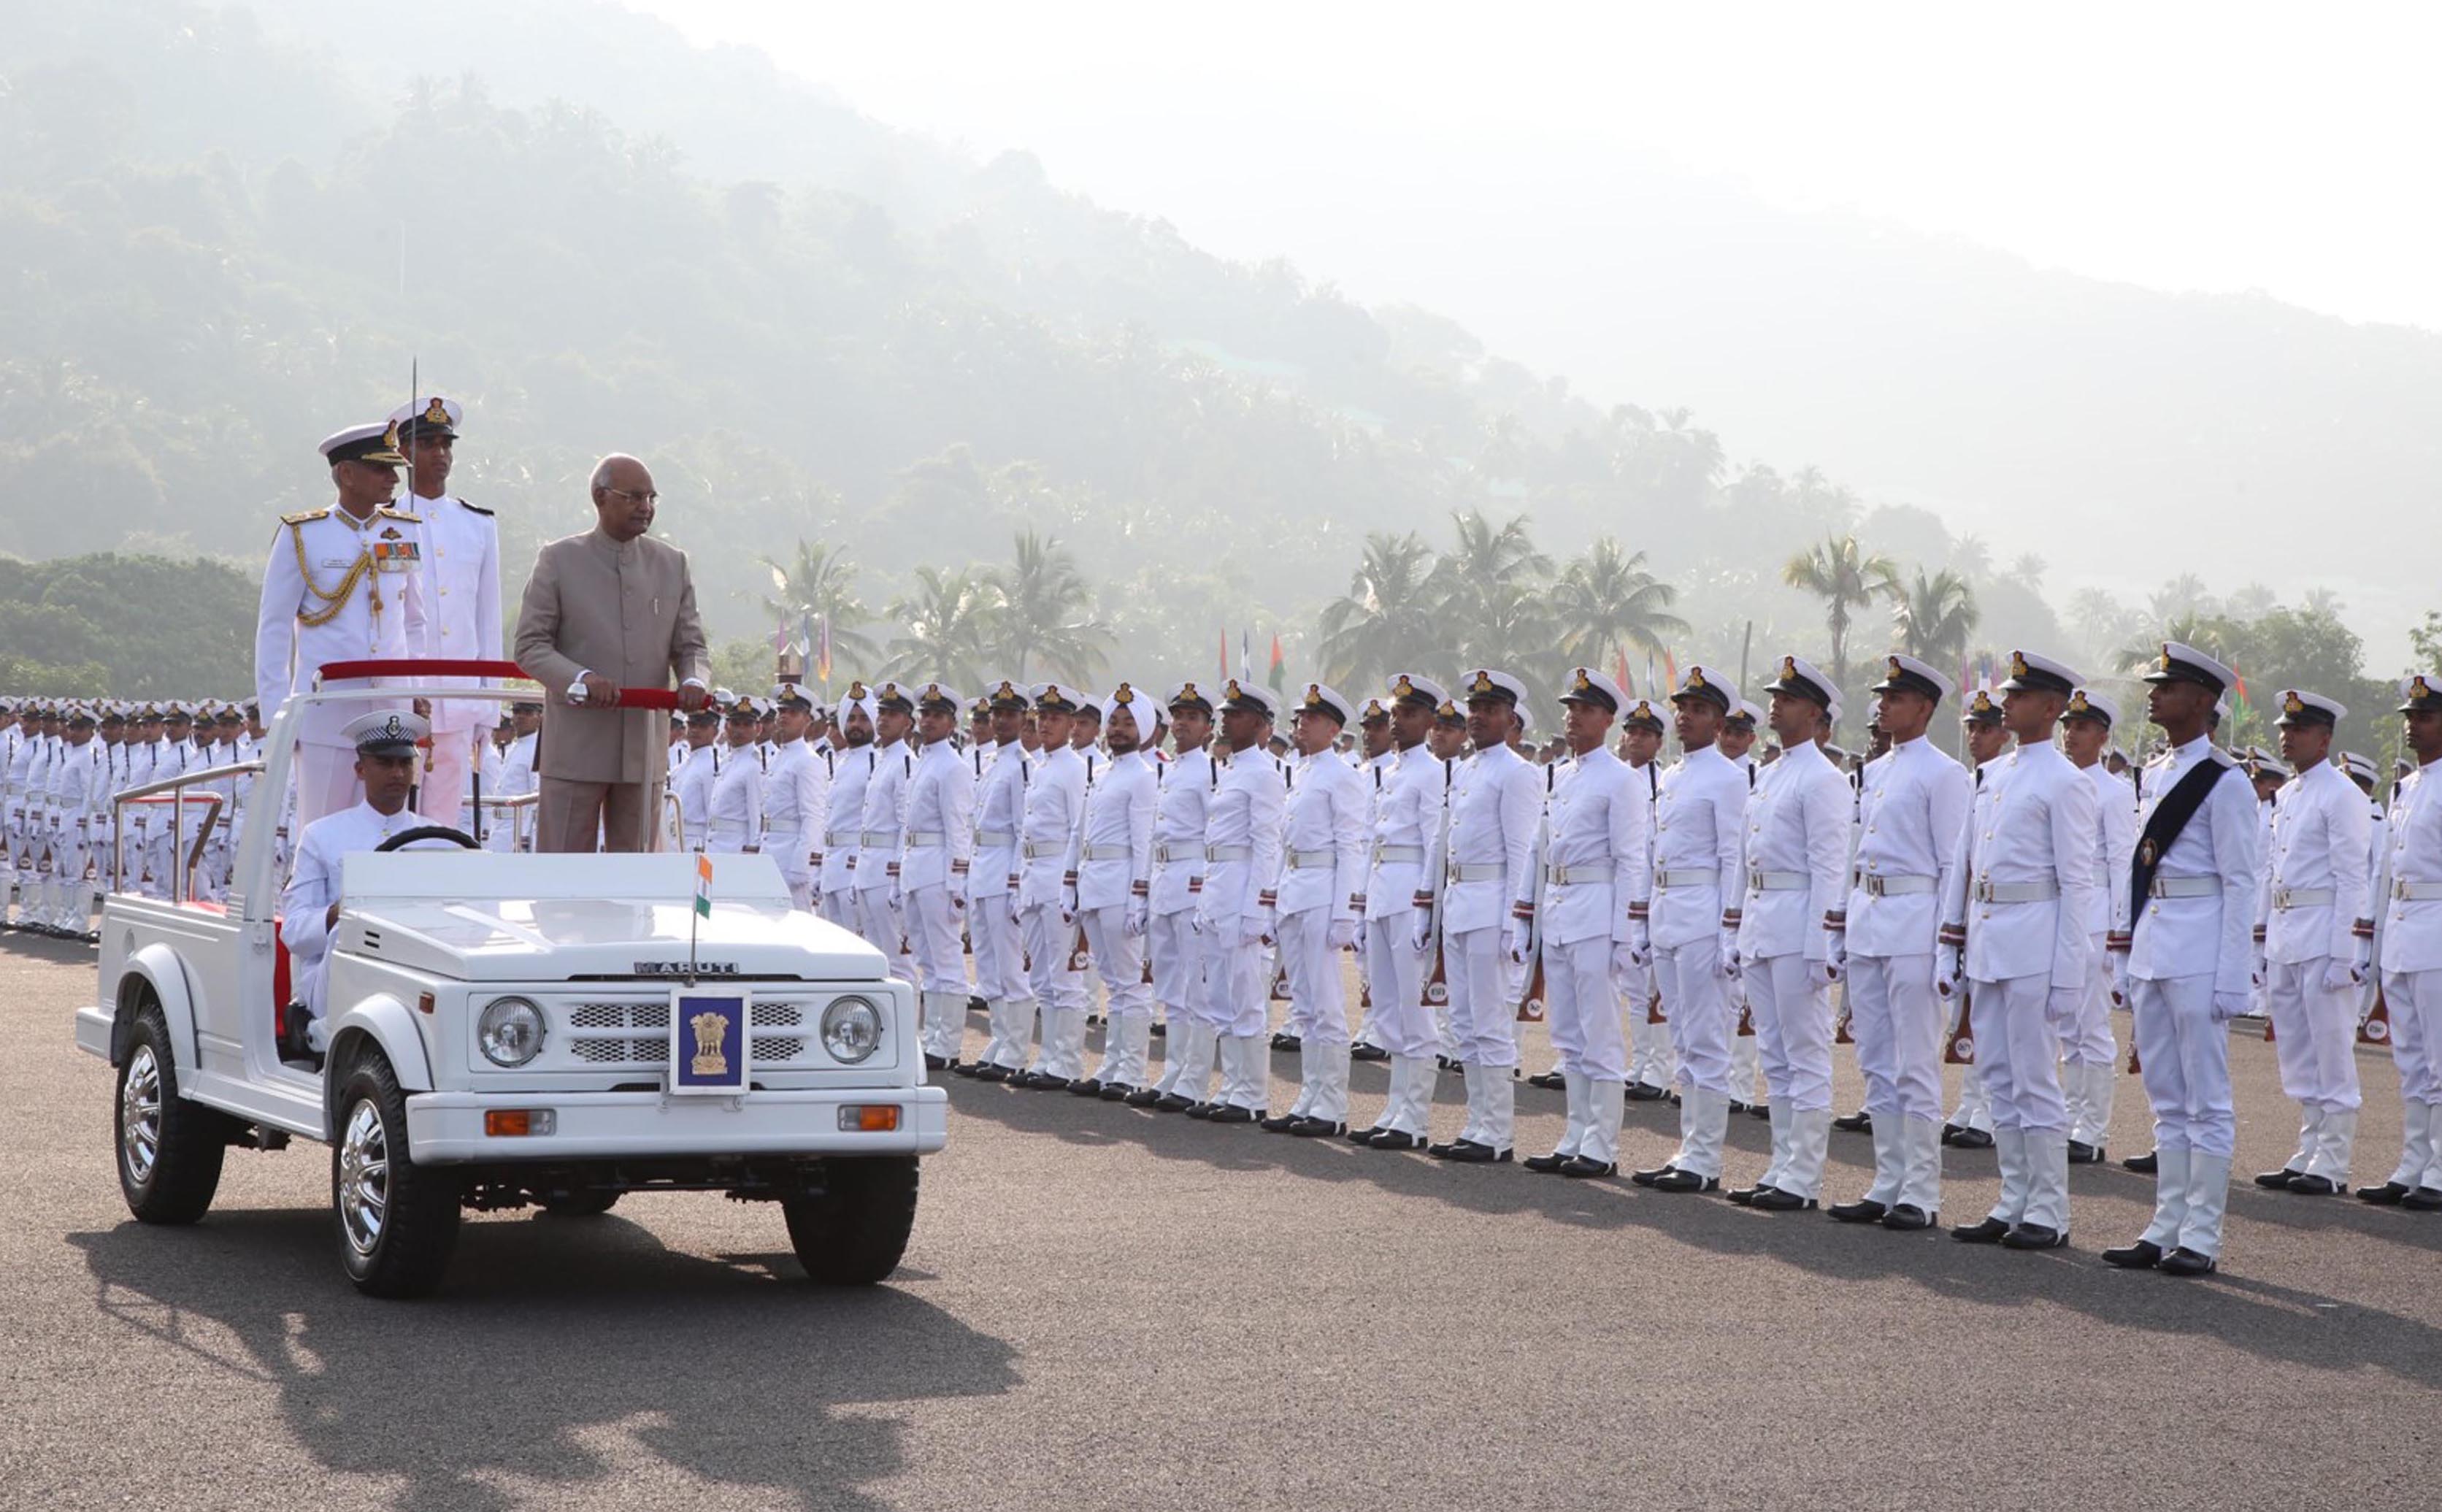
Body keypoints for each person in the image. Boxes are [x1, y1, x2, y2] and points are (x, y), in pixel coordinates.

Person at [2101, 643, 2261, 1276]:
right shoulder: (2155, 770)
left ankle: (2201, 1233)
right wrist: (2126, 950)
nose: (2154, 694)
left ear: (2201, 699)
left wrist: (2230, 974)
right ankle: (2163, 1222)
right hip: (2155, 944)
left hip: (2198, 947)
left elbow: (2239, 880)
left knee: (2207, 1099)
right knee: (2166, 1098)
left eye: (2167, 686)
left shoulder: (2225, 782)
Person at [1937, 651, 2098, 1251]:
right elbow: (1964, 864)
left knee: (2034, 1081)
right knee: (1998, 1076)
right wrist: (1949, 941)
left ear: (2052, 708)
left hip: (2033, 942)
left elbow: (2075, 883)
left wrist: (2066, 975)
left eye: (2020, 695)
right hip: (1988, 939)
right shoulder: (1994, 774)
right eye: (2007, 694)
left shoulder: (2066, 781)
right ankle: (2011, 1198)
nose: (2006, 702)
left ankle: (2049, 1210)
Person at [510, 454, 710, 852]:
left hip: (644, 747)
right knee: (562, 875)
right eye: (634, 497)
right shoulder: (559, 559)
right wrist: (579, 679)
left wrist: (692, 680)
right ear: (600, 497)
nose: (646, 507)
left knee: (637, 883)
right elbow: (530, 645)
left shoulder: (672, 564)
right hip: (576, 746)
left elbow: (691, 646)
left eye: (652, 498)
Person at [254, 421, 429, 832]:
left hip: (390, 707)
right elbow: (274, 627)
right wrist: (279, 715)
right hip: (326, 711)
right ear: (347, 474)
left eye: (395, 469)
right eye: (381, 469)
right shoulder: (305, 534)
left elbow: (415, 622)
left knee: (389, 827)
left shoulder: (403, 530)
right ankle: (317, 900)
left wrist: (418, 691)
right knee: (321, 825)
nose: (392, 479)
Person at [1723, 656, 1850, 1209]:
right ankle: (1780, 1165)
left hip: (1798, 924)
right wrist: (1733, 924)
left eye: (1788, 698)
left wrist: (1821, 942)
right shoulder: (1769, 772)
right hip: (1760, 920)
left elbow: (1829, 866)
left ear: (1815, 712)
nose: (1775, 703)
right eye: (1775, 695)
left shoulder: (1823, 778)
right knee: (1773, 1055)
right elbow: (1742, 857)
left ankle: (1803, 1174)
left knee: (1804, 1054)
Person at [1516, 667, 1645, 1178]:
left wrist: (1621, 933)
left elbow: (1630, 860)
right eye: (1570, 708)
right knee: (1567, 1032)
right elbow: (1540, 849)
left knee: (1600, 1031)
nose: (1573, 716)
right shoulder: (1560, 775)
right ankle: (1574, 1132)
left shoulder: (1621, 778)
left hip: (1595, 909)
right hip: (1561, 908)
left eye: (1586, 709)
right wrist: (1529, 916)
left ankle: (1600, 1143)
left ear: (1609, 720)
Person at [2247, 690, 2373, 1195]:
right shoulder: (2292, 794)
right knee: (2298, 1050)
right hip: (2286, 930)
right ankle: (2307, 1148)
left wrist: (2344, 951)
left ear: (2323, 738)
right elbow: (2272, 871)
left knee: (2330, 1047)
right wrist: (2262, 937)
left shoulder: (2341, 793)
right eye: (2284, 728)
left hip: (2323, 931)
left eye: (2297, 730)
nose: (2286, 736)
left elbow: (2351, 877)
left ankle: (2334, 1160)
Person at [1630, 665, 1749, 1193]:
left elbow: (1732, 858)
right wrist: (1641, 917)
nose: (1685, 715)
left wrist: (1730, 929)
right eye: (1682, 707)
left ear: (1720, 720)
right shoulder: (1673, 774)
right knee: (1681, 1037)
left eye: (1699, 709)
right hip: (1667, 912)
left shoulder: (1727, 777)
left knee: (1705, 1041)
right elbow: (1652, 852)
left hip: (1703, 915)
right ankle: (1687, 1147)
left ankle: (1704, 1157)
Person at [278, 711, 449, 1062]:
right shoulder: (323, 836)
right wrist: (338, 914)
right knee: (350, 927)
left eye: (404, 763)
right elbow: (294, 932)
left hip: (416, 974)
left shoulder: (440, 840)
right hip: (334, 982)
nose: (397, 774)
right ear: (360, 770)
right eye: (385, 763)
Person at [1424, 669, 1538, 1162]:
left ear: (1510, 718)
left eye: (1489, 709)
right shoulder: (1466, 769)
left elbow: (1521, 851)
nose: (1477, 717)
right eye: (1474, 707)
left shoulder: (1517, 772)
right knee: (1465, 1022)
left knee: (1490, 1025)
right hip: (1460, 902)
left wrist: (1516, 921)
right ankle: (1477, 1123)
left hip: (1492, 905)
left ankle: (1497, 1131)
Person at [1263, 682, 1369, 1136]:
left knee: (1325, 1005)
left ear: (1333, 728)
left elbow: (1352, 846)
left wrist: (1347, 910)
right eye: (1299, 718)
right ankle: (1310, 1095)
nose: (1300, 724)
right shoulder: (1300, 772)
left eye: (1310, 719)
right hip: (1295, 889)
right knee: (1303, 1005)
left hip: (1324, 893)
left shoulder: (1342, 775)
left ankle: (1331, 1105)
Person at [392, 396, 501, 830]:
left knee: (444, 823)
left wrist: (487, 707)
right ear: (402, 451)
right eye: (428, 444)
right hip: (401, 695)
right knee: (392, 815)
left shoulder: (477, 524)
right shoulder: (387, 520)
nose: (440, 454)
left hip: (459, 699)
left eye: (446, 444)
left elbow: (486, 619)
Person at [2362, 672, 2442, 1208]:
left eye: (2424, 716)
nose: (2411, 726)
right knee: (2410, 1058)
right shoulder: (2406, 787)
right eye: (2409, 717)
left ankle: (2438, 1167)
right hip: (2402, 928)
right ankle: (2413, 1160)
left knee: (2439, 1058)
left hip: (2436, 924)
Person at [1132, 682, 1220, 1105]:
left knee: (1196, 989)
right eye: (1178, 716)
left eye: (1192, 718)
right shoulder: (1170, 771)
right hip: (1165, 880)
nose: (1182, 724)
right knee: (1169, 987)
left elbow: (1212, 836)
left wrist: (1205, 887)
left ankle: (1195, 1080)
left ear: (1208, 728)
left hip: (1191, 882)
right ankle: (1174, 1072)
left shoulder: (1209, 771)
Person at [1072, 680, 1159, 1097]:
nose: (1118, 730)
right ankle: (1112, 1066)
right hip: (1094, 882)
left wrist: (1139, 895)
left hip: (1121, 884)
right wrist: (1071, 883)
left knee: (1130, 984)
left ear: (1143, 729)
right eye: (1114, 722)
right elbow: (1080, 831)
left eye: (1128, 723)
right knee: (1110, 981)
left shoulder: (1144, 777)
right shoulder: (1102, 773)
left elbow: (1144, 840)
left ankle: (1133, 1071)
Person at [2059, 688, 2136, 1163]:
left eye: (2081, 727)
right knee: (2066, 1027)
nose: (2070, 734)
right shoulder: (2057, 781)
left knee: (2090, 1028)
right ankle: (2070, 1117)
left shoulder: (2113, 791)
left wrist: (2116, 933)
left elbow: (2123, 864)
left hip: (2094, 917)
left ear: (2103, 736)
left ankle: (2092, 1128)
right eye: (2067, 725)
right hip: (2061, 914)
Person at [1942, 686, 2011, 1151]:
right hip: (1973, 908)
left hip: (2006, 912)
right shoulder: (1974, 780)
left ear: (2004, 733)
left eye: (1986, 728)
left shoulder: (2003, 778)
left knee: (1997, 1020)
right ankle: (1970, 1103)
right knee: (1968, 1013)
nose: (1976, 736)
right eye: (1972, 727)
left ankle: (1988, 1111)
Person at [1013, 684, 1093, 1089]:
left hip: (1058, 875)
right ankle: (1048, 1056)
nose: (1045, 724)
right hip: (1033, 875)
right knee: (1042, 977)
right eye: (1041, 717)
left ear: (1072, 724)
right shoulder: (1041, 766)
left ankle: (1067, 1061)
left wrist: (1072, 883)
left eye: (1055, 718)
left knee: (1065, 978)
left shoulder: (1075, 768)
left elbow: (1080, 831)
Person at [961, 680, 1037, 1081]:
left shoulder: (1024, 765)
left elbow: (1022, 830)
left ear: (1025, 720)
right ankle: (999, 1038)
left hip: (1003, 871)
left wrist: (1015, 884)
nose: (1002, 721)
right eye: (998, 714)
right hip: (981, 869)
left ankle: (1016, 1048)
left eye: (1010, 715)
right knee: (988, 967)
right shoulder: (990, 762)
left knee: (1010, 968)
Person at [899, 681, 976, 1070]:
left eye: (937, 716)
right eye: (925, 714)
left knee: (947, 960)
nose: (928, 721)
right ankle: (931, 1038)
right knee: (926, 960)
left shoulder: (953, 767)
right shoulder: (924, 760)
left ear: (951, 723)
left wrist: (956, 882)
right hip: (916, 866)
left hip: (938, 870)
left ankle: (948, 1044)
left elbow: (957, 828)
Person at [761, 684, 829, 910]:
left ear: (807, 719)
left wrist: (802, 865)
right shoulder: (778, 758)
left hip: (791, 855)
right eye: (782, 711)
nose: (785, 717)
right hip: (770, 851)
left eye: (793, 713)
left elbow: (813, 817)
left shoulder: (808, 760)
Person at [820, 687, 878, 932]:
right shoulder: (842, 763)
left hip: (855, 864)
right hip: (832, 863)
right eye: (851, 718)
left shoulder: (876, 762)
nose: (856, 725)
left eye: (864, 719)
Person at [704, 694, 766, 855]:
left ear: (758, 729)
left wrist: (753, 850)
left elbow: (756, 814)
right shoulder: (726, 761)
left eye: (747, 725)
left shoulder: (754, 765)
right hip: (714, 845)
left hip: (736, 848)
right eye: (735, 723)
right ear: (726, 727)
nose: (740, 730)